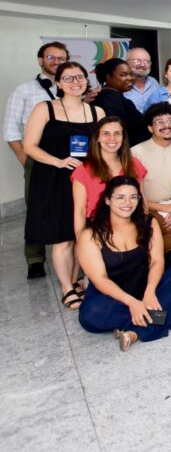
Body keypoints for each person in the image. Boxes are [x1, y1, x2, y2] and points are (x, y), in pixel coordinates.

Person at [77, 176, 171, 351]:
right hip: (113, 297)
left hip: (146, 288)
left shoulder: (149, 223)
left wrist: (149, 293)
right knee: (91, 314)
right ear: (108, 200)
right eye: (120, 197)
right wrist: (133, 303)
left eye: (133, 197)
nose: (128, 202)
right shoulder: (90, 235)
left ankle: (134, 332)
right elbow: (100, 279)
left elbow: (156, 261)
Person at [23, 61, 105, 309]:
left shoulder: (96, 112)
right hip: (54, 179)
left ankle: (77, 279)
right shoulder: (45, 109)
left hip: (86, 180)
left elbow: (104, 146)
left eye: (79, 77)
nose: (75, 82)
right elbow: (29, 146)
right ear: (58, 82)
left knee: (83, 234)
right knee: (63, 237)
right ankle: (67, 287)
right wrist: (58, 162)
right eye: (68, 78)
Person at [3, 40, 68, 279]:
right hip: (38, 157)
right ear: (41, 60)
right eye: (51, 57)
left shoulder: (72, 88)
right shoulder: (25, 90)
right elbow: (11, 131)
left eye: (61, 58)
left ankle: (69, 249)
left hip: (69, 156)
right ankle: (35, 258)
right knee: (37, 208)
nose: (56, 62)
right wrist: (27, 161)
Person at [130, 103, 171, 255]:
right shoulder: (136, 152)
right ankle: (142, 258)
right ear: (150, 128)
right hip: (141, 210)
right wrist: (167, 209)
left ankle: (150, 257)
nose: (167, 125)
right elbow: (134, 195)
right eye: (160, 121)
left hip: (166, 207)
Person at [72, 116, 147, 236]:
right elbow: (79, 212)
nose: (112, 138)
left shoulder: (134, 164)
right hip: (98, 230)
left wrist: (143, 234)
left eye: (117, 133)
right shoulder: (83, 171)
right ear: (97, 138)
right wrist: (82, 243)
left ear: (123, 138)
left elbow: (142, 203)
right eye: (106, 133)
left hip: (131, 228)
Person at [91, 58, 148, 147]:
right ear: (108, 77)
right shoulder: (109, 99)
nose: (130, 78)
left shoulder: (116, 97)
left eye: (131, 74)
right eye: (123, 75)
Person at [124, 47, 161, 115]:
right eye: (138, 60)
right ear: (127, 62)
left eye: (147, 61)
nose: (142, 65)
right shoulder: (121, 85)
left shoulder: (154, 82)